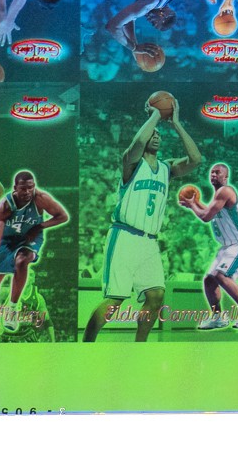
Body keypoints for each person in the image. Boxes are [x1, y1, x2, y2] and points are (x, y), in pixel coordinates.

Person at [84, 105, 200, 342]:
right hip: (124, 235)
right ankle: (86, 344)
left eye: (158, 134)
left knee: (156, 296)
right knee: (114, 302)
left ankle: (140, 347)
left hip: (149, 241)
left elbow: (196, 159)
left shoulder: (167, 168)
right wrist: (157, 114)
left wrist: (176, 123)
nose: (155, 136)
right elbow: (137, 142)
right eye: (151, 133)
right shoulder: (131, 163)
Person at [0, 167, 69, 329]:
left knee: (22, 260)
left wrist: (39, 226)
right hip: (7, 240)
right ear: (15, 188)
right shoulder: (5, 206)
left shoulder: (41, 198)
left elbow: (62, 216)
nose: (28, 191)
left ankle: (12, 308)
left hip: (29, 238)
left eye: (31, 187)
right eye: (23, 188)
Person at [178, 159, 238, 331]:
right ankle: (218, 318)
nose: (214, 174)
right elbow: (209, 212)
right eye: (212, 172)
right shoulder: (218, 197)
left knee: (222, 275)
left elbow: (206, 217)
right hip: (229, 246)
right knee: (209, 280)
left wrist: (192, 204)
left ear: (226, 177)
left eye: (218, 172)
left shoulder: (226, 191)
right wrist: (195, 203)